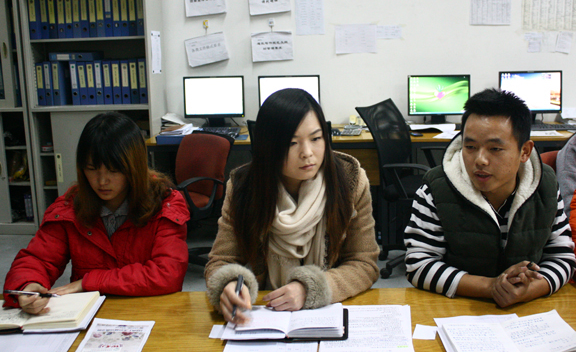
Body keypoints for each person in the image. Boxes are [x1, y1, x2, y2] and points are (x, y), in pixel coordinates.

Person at [205, 88, 379, 323]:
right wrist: (228, 285)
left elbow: (364, 263)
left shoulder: (350, 181)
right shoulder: (244, 186)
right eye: (292, 143)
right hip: (267, 314)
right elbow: (221, 260)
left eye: (316, 139)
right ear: (268, 146)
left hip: (330, 312)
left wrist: (311, 289)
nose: (307, 153)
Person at [3, 112, 190, 314]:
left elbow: (167, 273)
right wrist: (28, 285)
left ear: (134, 166)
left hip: (148, 312)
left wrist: (88, 282)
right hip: (88, 315)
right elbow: (38, 259)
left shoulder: (164, 203)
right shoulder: (69, 208)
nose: (101, 181)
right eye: (92, 169)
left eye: (113, 170)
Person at [404, 88, 575, 307]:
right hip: (457, 308)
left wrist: (528, 290)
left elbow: (562, 257)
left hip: (526, 310)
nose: (480, 160)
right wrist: (491, 287)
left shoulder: (545, 185)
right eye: (470, 147)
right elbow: (418, 265)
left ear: (524, 151)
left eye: (495, 149)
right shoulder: (436, 188)